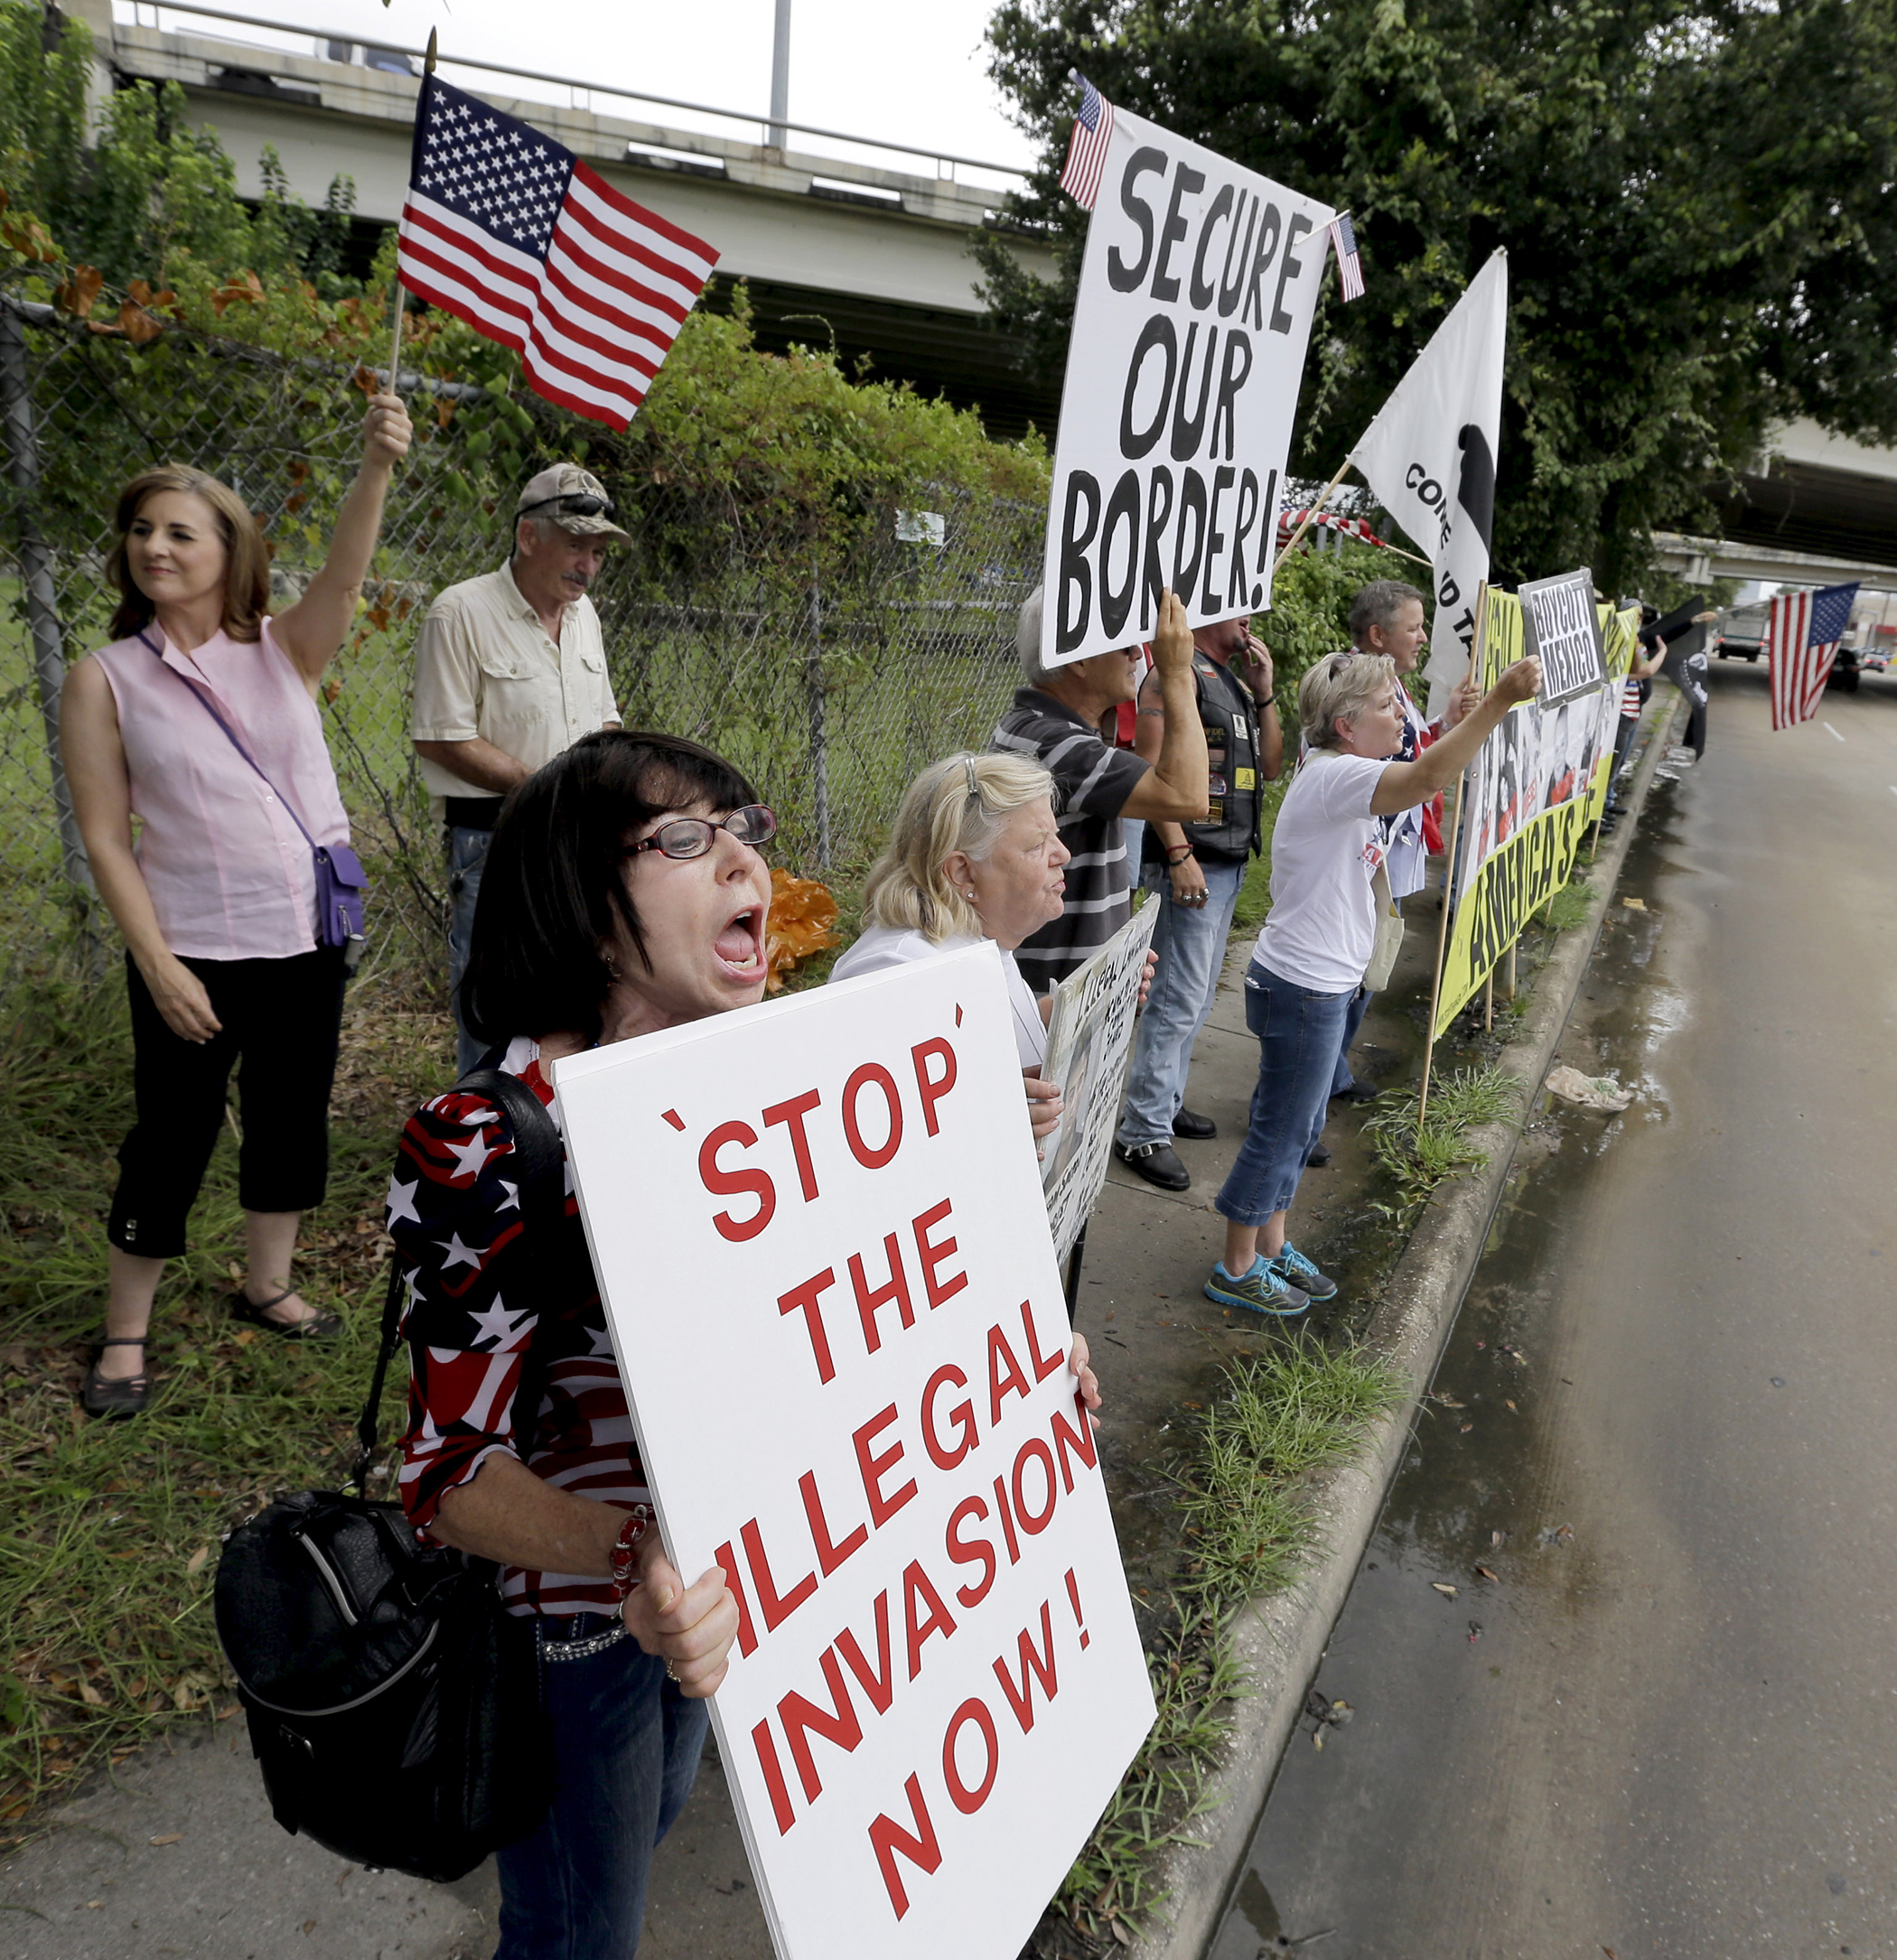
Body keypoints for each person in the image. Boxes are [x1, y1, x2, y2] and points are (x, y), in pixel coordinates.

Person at [389, 731, 1103, 1956]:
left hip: (760, 1594)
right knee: (579, 1923)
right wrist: (632, 1561)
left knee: (656, 1816)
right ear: (577, 895)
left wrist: (1021, 1363)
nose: (741, 864)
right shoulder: (487, 1142)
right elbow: (443, 1478)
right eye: (681, 838)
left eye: (741, 829)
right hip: (586, 1628)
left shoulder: (781, 1082)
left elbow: (871, 1311)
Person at [60, 393, 414, 1420]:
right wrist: (159, 963)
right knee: (169, 1136)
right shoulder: (107, 679)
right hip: (193, 952)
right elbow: (103, 838)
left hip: (307, 939)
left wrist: (376, 467)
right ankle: (126, 1330)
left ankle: (268, 1282)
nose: (154, 547)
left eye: (180, 531)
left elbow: (346, 570)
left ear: (232, 548)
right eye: (140, 530)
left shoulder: (285, 650)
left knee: (289, 1117)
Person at [1206, 648, 1541, 1316]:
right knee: (1280, 1129)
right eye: (1389, 707)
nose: (1402, 716)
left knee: (1301, 1126)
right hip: (1303, 986)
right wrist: (1500, 700)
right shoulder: (1337, 778)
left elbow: (1421, 768)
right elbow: (1424, 781)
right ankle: (1236, 1265)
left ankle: (1270, 1244)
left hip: (1316, 982)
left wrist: (1449, 722)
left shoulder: (1336, 766)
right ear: (1346, 727)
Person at [411, 463, 628, 1073]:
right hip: (495, 839)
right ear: (529, 537)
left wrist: (601, 782)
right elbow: (441, 738)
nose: (588, 564)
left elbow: (606, 716)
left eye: (598, 552)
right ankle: (481, 1138)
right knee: (494, 1002)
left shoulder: (585, 617)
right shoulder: (460, 613)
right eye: (575, 546)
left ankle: (560, 1132)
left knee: (580, 990)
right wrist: (545, 790)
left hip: (580, 839)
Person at [1112, 611, 1285, 1191]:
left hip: (1227, 863)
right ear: (1213, 611)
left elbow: (1272, 766)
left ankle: (1165, 1100)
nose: (1253, 617)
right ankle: (1142, 1131)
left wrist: (1264, 695)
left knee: (1199, 995)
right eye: (1242, 606)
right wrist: (1179, 853)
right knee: (1175, 1000)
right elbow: (1146, 768)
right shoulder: (1171, 676)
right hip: (1192, 861)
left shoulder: (1231, 680)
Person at [829, 751, 1073, 1153]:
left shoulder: (976, 937)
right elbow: (866, 1138)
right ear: (962, 872)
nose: (1062, 854)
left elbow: (988, 1037)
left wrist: (1086, 1005)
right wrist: (986, 1115)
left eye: (1055, 835)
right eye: (1036, 846)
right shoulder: (897, 971)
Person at [1319, 580, 1476, 1132]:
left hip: (1388, 857)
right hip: (1361, 861)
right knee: (1346, 976)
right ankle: (1311, 1098)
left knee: (1370, 969)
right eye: (1414, 627)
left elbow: (1411, 753)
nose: (1424, 637)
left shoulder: (1394, 689)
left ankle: (1330, 1075)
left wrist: (1448, 723)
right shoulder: (1349, 682)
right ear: (1378, 635)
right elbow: (1410, 771)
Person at [991, 588, 1207, 991]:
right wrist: (1176, 672)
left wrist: (1114, 956)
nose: (1139, 656)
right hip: (1052, 1003)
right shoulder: (1056, 746)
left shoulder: (1037, 728)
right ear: (1080, 659)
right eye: (1125, 645)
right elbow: (1188, 798)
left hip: (1066, 991)